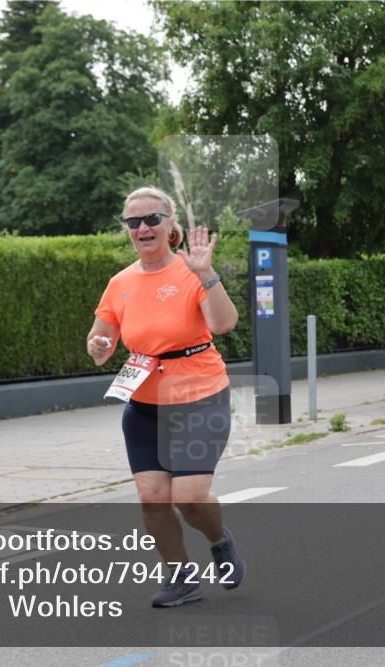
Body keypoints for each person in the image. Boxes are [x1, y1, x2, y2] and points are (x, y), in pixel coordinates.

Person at [86, 186, 244, 607]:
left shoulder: (191, 273)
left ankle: (218, 539)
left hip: (199, 398)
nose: (143, 228)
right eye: (133, 222)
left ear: (170, 224)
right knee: (153, 500)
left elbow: (225, 323)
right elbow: (101, 336)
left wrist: (207, 274)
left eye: (152, 219)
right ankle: (181, 578)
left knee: (189, 497)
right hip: (144, 406)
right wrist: (99, 346)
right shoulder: (119, 282)